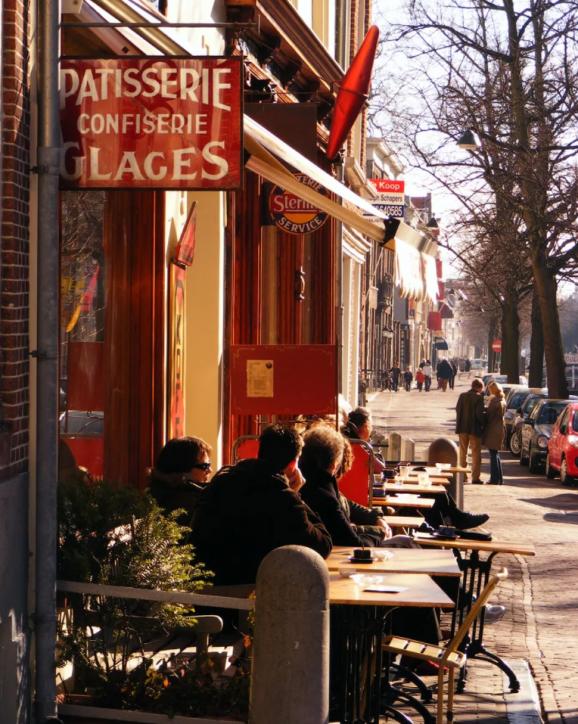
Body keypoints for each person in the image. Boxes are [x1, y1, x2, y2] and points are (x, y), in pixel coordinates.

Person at [192, 424, 332, 584]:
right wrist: (295, 494)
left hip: (205, 587)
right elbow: (322, 545)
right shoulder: (282, 497)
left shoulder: (220, 481)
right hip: (249, 592)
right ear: (293, 464)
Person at [148, 436, 213, 526]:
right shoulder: (187, 503)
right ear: (183, 469)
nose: (210, 470)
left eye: (209, 465)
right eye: (205, 466)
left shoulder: (156, 492)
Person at [456, 378, 486, 484]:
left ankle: (462, 475)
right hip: (474, 429)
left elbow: (458, 410)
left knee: (462, 453)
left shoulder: (462, 396)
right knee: (476, 454)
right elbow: (479, 415)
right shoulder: (479, 398)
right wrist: (484, 424)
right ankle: (475, 477)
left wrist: (459, 424)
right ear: (479, 387)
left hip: (462, 428)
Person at [341, 406, 386, 473]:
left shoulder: (343, 443)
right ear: (366, 426)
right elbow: (381, 469)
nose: (371, 429)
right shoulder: (361, 447)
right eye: (371, 425)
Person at [484, 381, 506, 484]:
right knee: (495, 454)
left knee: (493, 455)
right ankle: (499, 479)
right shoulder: (502, 400)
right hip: (499, 428)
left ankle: (494, 479)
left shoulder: (494, 401)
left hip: (493, 429)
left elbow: (489, 415)